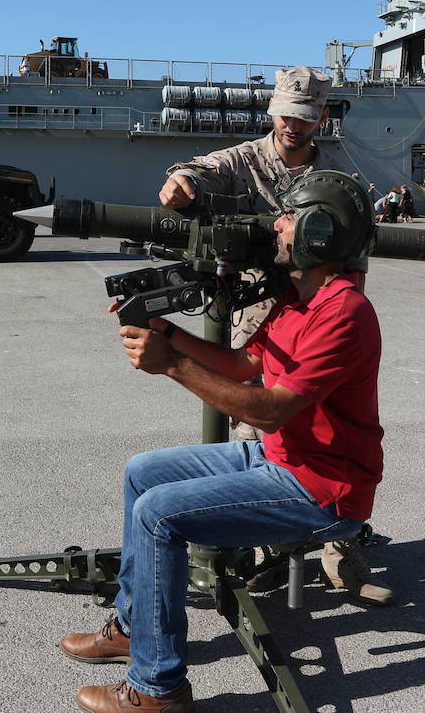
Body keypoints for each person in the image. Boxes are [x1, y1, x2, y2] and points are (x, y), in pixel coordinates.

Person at [63, 171, 383, 713]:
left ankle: (158, 689)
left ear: (320, 232)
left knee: (158, 515)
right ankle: (136, 628)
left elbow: (271, 410)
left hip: (324, 491)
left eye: (289, 218)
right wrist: (167, 331)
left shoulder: (344, 311)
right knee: (142, 472)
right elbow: (242, 364)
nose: (276, 226)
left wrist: (172, 364)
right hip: (283, 460)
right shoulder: (298, 297)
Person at [157, 66, 390, 605]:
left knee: (328, 434)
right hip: (256, 321)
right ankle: (263, 550)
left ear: (321, 118)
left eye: (304, 117)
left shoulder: (336, 181)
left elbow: (352, 265)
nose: (293, 125)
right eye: (286, 114)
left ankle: (340, 551)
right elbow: (202, 171)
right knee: (252, 438)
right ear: (272, 111)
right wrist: (183, 180)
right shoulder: (245, 162)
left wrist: (336, 322)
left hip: (314, 320)